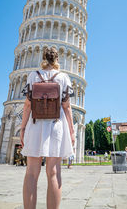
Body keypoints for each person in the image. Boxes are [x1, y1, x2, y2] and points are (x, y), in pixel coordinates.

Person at [20, 47, 75, 209]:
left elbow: (28, 105)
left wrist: (22, 128)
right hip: (56, 126)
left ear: (43, 58)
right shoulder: (64, 77)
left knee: (31, 173)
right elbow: (67, 107)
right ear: (57, 60)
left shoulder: (33, 75)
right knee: (53, 172)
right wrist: (71, 131)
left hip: (35, 124)